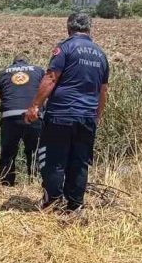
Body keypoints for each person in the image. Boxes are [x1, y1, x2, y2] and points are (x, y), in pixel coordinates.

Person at [24, 13, 110, 214]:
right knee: (79, 162)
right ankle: (75, 206)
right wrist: (96, 116)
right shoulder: (101, 54)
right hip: (87, 117)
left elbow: (51, 78)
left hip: (61, 114)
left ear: (69, 28)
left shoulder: (64, 48)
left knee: (54, 159)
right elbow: (103, 91)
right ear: (89, 29)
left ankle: (52, 201)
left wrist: (35, 106)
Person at [0, 56, 44, 186]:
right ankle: (35, 184)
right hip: (33, 116)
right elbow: (48, 91)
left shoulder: (1, 74)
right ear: (26, 63)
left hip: (9, 117)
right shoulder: (39, 71)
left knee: (8, 153)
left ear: (13, 64)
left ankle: (6, 184)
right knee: (35, 152)